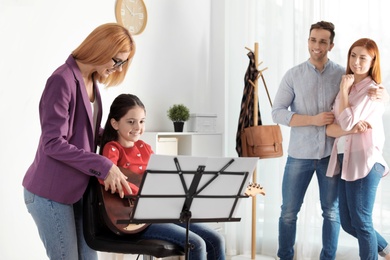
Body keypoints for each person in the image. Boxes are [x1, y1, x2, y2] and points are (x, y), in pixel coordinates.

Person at [271, 21, 386, 260]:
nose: (317, 46)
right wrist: (313, 119)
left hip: (331, 157)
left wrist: (383, 92)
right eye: (313, 40)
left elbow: (368, 96)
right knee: (288, 213)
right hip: (299, 154)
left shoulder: (344, 76)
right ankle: (285, 257)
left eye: (323, 41)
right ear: (308, 41)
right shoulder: (293, 75)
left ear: (331, 45)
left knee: (332, 214)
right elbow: (277, 113)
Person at [22, 23, 136, 260]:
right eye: (116, 61)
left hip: (77, 191)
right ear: (101, 49)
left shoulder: (91, 81)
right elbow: (53, 142)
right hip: (50, 193)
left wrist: (118, 135)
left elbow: (85, 131)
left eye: (122, 64)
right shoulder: (62, 80)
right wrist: (104, 166)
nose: (117, 69)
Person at [99, 93, 226, 260]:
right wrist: (144, 193)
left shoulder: (145, 147)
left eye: (142, 121)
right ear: (115, 123)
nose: (138, 127)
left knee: (216, 239)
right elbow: (105, 178)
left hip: (160, 212)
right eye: (131, 122)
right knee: (196, 244)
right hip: (134, 219)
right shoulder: (112, 148)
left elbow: (162, 176)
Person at [325, 38, 390, 260]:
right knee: (348, 223)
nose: (356, 61)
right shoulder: (350, 87)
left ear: (373, 61)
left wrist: (343, 91)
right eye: (353, 55)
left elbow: (342, 122)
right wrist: (349, 129)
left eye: (363, 57)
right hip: (345, 160)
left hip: (365, 161)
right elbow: (331, 129)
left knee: (362, 222)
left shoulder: (373, 90)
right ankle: (388, 251)